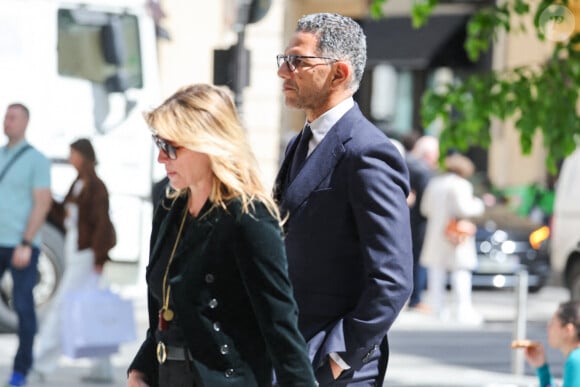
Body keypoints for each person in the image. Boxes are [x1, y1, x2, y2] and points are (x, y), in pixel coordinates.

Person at [127, 83, 317, 387]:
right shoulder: (170, 208)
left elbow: (280, 323)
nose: (162, 158)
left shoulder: (249, 216)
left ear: (208, 144)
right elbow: (165, 308)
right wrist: (142, 367)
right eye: (158, 143)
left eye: (171, 147)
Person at [273, 13, 413, 386]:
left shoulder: (369, 152)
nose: (284, 72)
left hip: (334, 370)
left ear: (339, 73)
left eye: (297, 61)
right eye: (284, 60)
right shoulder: (298, 142)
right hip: (289, 354)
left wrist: (340, 358)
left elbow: (393, 279)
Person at [33, 138, 116, 383]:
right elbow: (68, 218)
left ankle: (42, 364)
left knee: (62, 307)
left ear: (83, 156)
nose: (70, 159)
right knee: (91, 310)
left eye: (73, 154)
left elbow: (102, 224)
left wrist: (99, 258)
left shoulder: (96, 187)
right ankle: (102, 368)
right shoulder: (79, 184)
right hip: (76, 253)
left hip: (86, 256)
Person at [0, 103, 52, 387]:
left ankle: (21, 369)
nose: (6, 122)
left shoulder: (37, 160)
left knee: (22, 307)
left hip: (21, 245)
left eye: (12, 117)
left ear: (25, 123)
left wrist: (25, 242)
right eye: (5, 117)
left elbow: (42, 203)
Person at [420, 153, 484, 324]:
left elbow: (425, 209)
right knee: (461, 272)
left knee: (436, 272)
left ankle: (437, 309)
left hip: (436, 233)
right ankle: (462, 310)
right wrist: (478, 204)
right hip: (456, 235)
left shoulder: (435, 183)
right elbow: (465, 208)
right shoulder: (461, 185)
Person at [404, 134, 440, 312]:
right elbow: (428, 199)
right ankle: (416, 298)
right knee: (419, 259)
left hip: (406, 220)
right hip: (419, 221)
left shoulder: (407, 163)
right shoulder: (422, 170)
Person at [523, 300, 580, 387]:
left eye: (553, 323)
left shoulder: (575, 360)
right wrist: (541, 367)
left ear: (568, 330)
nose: (548, 327)